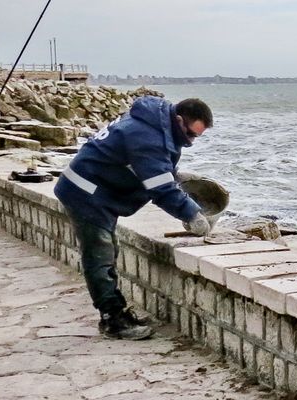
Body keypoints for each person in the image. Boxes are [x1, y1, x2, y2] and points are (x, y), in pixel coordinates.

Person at [55, 96, 215, 339]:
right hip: (85, 193)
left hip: (96, 189)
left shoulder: (155, 124)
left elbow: (151, 165)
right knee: (100, 254)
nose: (191, 142)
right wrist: (192, 214)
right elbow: (160, 188)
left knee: (107, 249)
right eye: (190, 135)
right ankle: (113, 320)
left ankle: (115, 311)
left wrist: (175, 175)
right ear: (179, 119)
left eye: (196, 138)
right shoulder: (147, 136)